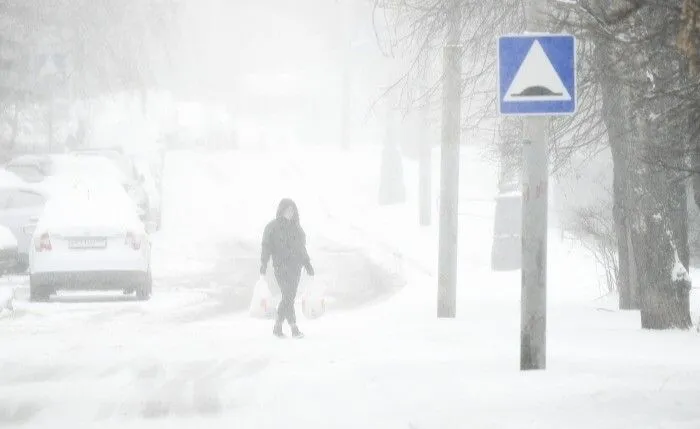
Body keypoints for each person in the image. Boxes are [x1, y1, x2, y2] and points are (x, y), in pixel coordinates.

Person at [260, 198, 314, 338]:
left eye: (292, 210)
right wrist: (264, 264)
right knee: (288, 295)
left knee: (288, 297)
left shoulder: (297, 228)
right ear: (281, 210)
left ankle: (278, 327)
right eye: (288, 210)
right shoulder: (272, 227)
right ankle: (293, 328)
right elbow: (266, 247)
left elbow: (301, 248)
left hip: (295, 268)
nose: (290, 213)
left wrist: (307, 263)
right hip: (281, 267)